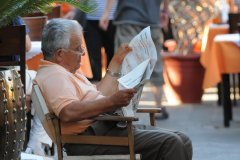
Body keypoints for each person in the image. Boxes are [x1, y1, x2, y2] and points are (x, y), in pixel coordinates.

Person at [34, 19, 192, 160]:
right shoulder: (54, 75)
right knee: (173, 143)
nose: (82, 53)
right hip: (90, 139)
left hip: (104, 130)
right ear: (60, 54)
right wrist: (112, 102)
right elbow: (68, 112)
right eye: (77, 49)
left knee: (182, 139)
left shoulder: (66, 71)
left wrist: (116, 62)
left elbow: (99, 95)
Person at [104, 0, 170, 119]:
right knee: (155, 65)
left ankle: (124, 110)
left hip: (128, 18)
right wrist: (165, 11)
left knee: (126, 65)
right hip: (152, 19)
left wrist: (106, 12)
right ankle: (160, 107)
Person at [82, 0, 117, 81]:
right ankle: (96, 88)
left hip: (111, 19)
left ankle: (111, 83)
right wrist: (74, 10)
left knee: (112, 55)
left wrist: (106, 13)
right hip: (90, 19)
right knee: (93, 57)